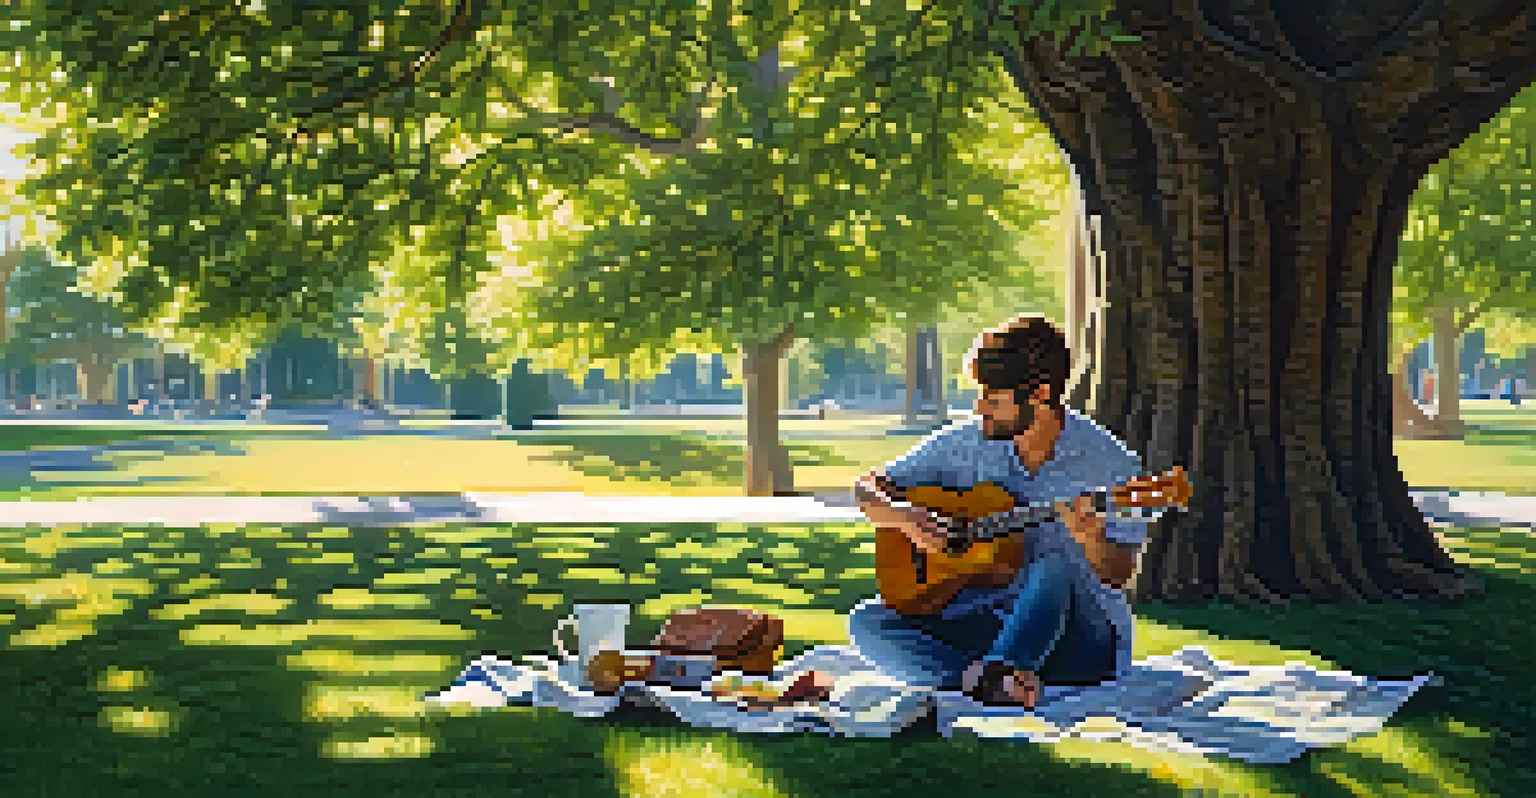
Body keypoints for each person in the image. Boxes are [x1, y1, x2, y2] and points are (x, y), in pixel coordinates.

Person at [849, 314, 1148, 707]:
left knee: (1053, 566)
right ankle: (997, 677)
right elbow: (867, 488)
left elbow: (1119, 574)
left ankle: (992, 672)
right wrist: (904, 517)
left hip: (1080, 640)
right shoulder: (964, 445)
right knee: (869, 623)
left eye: (993, 399)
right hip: (986, 619)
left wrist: (1092, 540)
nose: (979, 408)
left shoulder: (1112, 466)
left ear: (1040, 395)